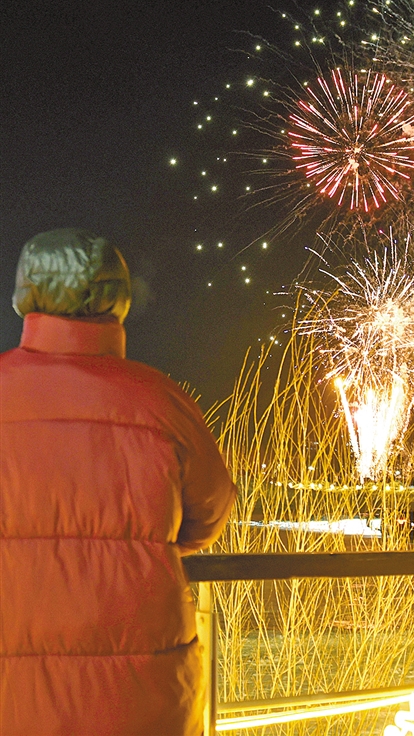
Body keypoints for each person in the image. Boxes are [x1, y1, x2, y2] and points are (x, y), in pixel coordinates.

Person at [0, 229, 236, 736]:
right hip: (140, 695)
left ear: (25, 295)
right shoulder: (162, 401)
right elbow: (210, 512)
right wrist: (141, 544)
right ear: (119, 301)